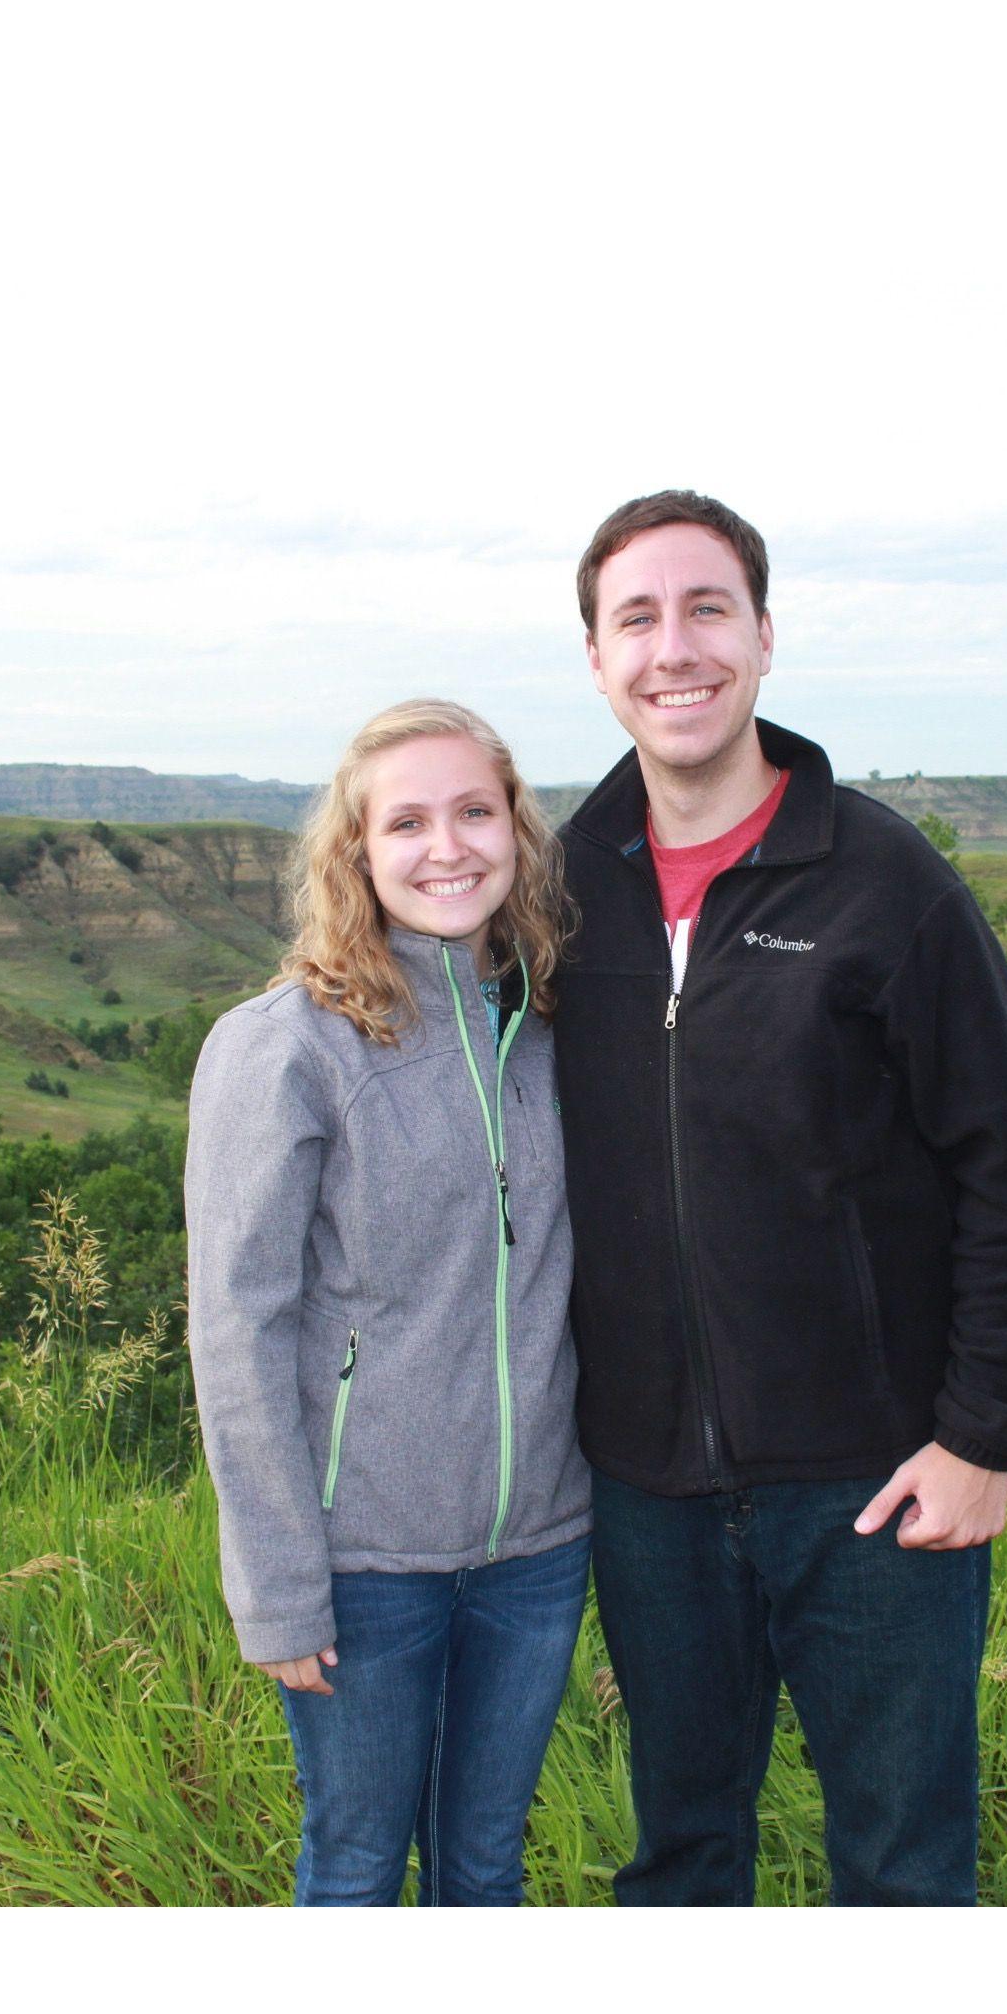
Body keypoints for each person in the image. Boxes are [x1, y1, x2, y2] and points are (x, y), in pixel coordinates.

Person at [553, 491, 1007, 1906]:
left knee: (901, 1869)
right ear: (595, 659)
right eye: (637, 618)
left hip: (873, 1487)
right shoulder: (559, 896)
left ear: (765, 638)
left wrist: (983, 1439)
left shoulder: (884, 883)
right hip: (646, 1493)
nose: (676, 648)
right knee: (681, 1860)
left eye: (707, 608)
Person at [185, 700, 592, 1906]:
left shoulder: (548, 1025)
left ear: (517, 831)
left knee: (484, 1861)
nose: (447, 847)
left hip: (539, 1550)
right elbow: (235, 1328)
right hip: (363, 1561)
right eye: (405, 822)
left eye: (476, 812)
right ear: (356, 851)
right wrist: (275, 1581)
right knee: (357, 1864)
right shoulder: (286, 1048)